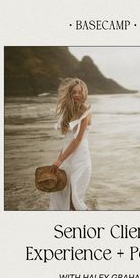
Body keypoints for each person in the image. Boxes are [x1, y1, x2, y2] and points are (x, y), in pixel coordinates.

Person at [49, 78, 92, 210]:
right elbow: (67, 140)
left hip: (80, 157)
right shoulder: (67, 112)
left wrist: (60, 159)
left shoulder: (86, 111)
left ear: (84, 93)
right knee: (63, 195)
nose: (77, 95)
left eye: (80, 92)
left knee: (75, 199)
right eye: (74, 92)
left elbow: (77, 140)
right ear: (70, 94)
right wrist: (59, 160)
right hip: (68, 158)